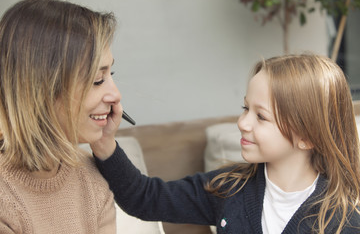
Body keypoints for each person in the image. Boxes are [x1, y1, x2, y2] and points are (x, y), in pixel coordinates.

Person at [92, 53, 360, 233]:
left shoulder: (347, 217)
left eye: (261, 117)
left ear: (307, 137)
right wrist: (105, 143)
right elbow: (145, 198)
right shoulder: (230, 188)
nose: (243, 123)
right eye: (245, 108)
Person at [0, 0, 122, 233]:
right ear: (40, 89)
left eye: (110, 74)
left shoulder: (92, 177)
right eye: (97, 80)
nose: (115, 95)